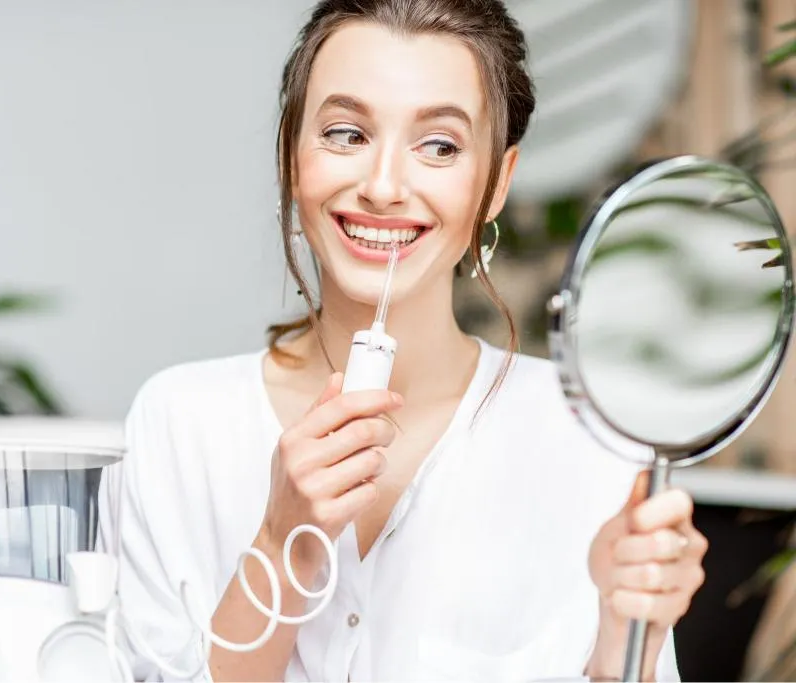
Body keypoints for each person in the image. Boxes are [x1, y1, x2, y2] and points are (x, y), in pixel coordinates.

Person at [99, 1, 708, 680]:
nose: (383, 186)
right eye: (345, 133)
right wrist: (282, 547)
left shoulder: (585, 438)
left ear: (498, 181)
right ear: (291, 156)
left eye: (439, 145)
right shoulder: (180, 424)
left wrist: (626, 643)